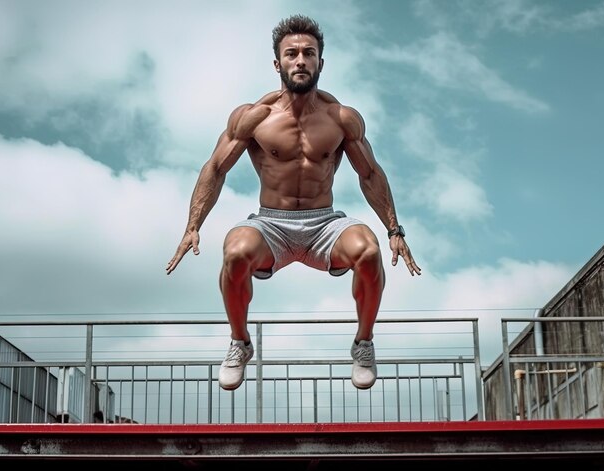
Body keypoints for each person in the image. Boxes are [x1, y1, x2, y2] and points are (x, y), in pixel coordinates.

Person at [166, 14, 421, 391]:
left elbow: (369, 174)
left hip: (325, 223)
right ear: (277, 63)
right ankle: (240, 342)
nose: (300, 60)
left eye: (308, 53)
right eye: (291, 54)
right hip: (271, 223)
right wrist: (193, 226)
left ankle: (363, 343)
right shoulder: (253, 117)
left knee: (367, 250)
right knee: (235, 251)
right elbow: (216, 168)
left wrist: (393, 229)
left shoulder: (342, 118)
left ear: (320, 62)